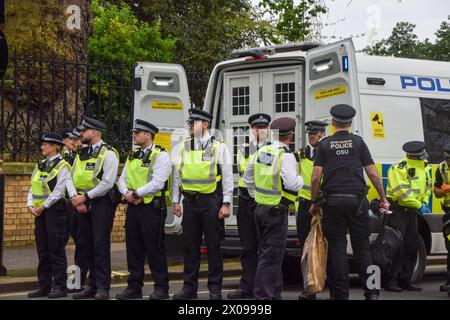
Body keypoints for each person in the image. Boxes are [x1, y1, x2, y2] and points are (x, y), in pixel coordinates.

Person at [309, 104, 388, 300]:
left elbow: (315, 177)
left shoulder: (324, 145)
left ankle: (340, 295)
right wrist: (383, 197)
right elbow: (373, 174)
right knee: (363, 248)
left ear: (333, 123)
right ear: (350, 123)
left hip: (332, 203)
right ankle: (373, 292)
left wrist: (313, 201)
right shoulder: (359, 143)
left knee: (337, 248)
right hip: (358, 203)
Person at [171, 109, 233, 300]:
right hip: (189, 202)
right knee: (190, 247)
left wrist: (226, 203)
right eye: (190, 123)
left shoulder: (218, 147)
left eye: (193, 122)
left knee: (214, 247)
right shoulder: (183, 147)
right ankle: (189, 289)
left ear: (205, 124)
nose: (190, 126)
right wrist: (175, 200)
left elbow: (228, 177)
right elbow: (177, 176)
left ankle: (215, 290)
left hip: (211, 202)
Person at [243, 117, 303, 300]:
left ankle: (275, 295)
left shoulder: (261, 151)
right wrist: (302, 180)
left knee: (271, 255)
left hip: (260, 209)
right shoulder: (285, 155)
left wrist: (256, 196)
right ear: (290, 136)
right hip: (275, 212)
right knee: (271, 257)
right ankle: (263, 297)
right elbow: (292, 183)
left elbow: (247, 178)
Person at [116, 119, 171, 300]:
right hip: (133, 207)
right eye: (133, 132)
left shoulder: (160, 155)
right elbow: (121, 179)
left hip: (151, 209)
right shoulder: (132, 155)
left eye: (137, 133)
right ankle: (134, 287)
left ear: (148, 135)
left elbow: (158, 182)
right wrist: (127, 194)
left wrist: (136, 193)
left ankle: (161, 288)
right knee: (134, 249)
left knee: (154, 249)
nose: (133, 135)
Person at [67, 116, 120, 300]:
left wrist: (86, 197)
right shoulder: (81, 153)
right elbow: (69, 177)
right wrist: (76, 197)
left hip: (101, 203)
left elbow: (108, 182)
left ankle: (103, 288)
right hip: (82, 202)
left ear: (95, 132)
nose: (80, 133)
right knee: (86, 244)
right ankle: (92, 285)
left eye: (84, 130)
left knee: (100, 245)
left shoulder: (109, 153)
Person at [228, 113, 271, 300]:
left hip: (263, 202)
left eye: (263, 127)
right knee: (248, 247)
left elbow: (266, 173)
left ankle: (262, 288)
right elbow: (245, 170)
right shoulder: (244, 149)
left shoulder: (272, 149)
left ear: (267, 130)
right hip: (246, 202)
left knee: (265, 248)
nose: (259, 130)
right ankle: (246, 286)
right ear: (251, 130)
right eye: (256, 127)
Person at [384, 141, 432, 292]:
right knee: (396, 247)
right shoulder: (399, 168)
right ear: (417, 154)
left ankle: (406, 279)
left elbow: (427, 188)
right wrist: (418, 205)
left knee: (411, 246)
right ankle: (390, 281)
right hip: (398, 211)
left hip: (412, 212)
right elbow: (401, 193)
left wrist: (423, 202)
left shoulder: (424, 167)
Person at [27, 132, 70, 298]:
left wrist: (43, 206)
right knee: (42, 249)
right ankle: (43, 285)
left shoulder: (63, 166)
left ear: (54, 147)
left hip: (55, 212)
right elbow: (33, 186)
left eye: (45, 144)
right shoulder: (40, 165)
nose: (42, 147)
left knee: (56, 249)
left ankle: (60, 286)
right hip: (40, 212)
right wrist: (30, 204)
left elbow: (59, 191)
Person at [295, 120, 327, 300]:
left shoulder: (328, 152)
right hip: (306, 205)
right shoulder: (301, 154)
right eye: (309, 134)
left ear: (322, 134)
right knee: (306, 247)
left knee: (326, 245)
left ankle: (327, 282)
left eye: (314, 134)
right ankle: (309, 288)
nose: (311, 137)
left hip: (324, 204)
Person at [61, 127, 87, 292]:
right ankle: (60, 280)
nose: (73, 142)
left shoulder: (80, 157)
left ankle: (78, 282)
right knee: (58, 244)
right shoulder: (62, 157)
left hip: (76, 203)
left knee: (81, 245)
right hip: (62, 205)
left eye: (75, 139)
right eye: (71, 139)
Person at [434, 144, 450, 297]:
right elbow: (436, 191)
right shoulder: (441, 168)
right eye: (446, 158)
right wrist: (442, 191)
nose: (448, 161)